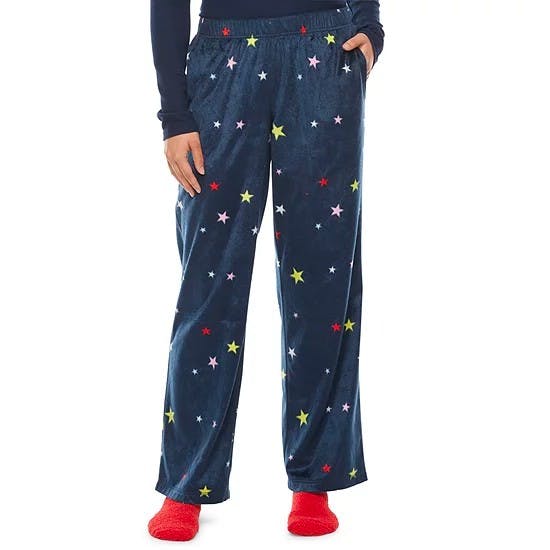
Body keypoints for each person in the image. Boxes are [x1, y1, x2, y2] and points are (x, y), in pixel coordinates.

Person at [148, 0, 384, 541]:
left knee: (324, 278)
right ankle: (186, 480)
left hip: (324, 54)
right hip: (223, 58)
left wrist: (369, 24)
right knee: (207, 285)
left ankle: (315, 477)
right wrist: (175, 114)